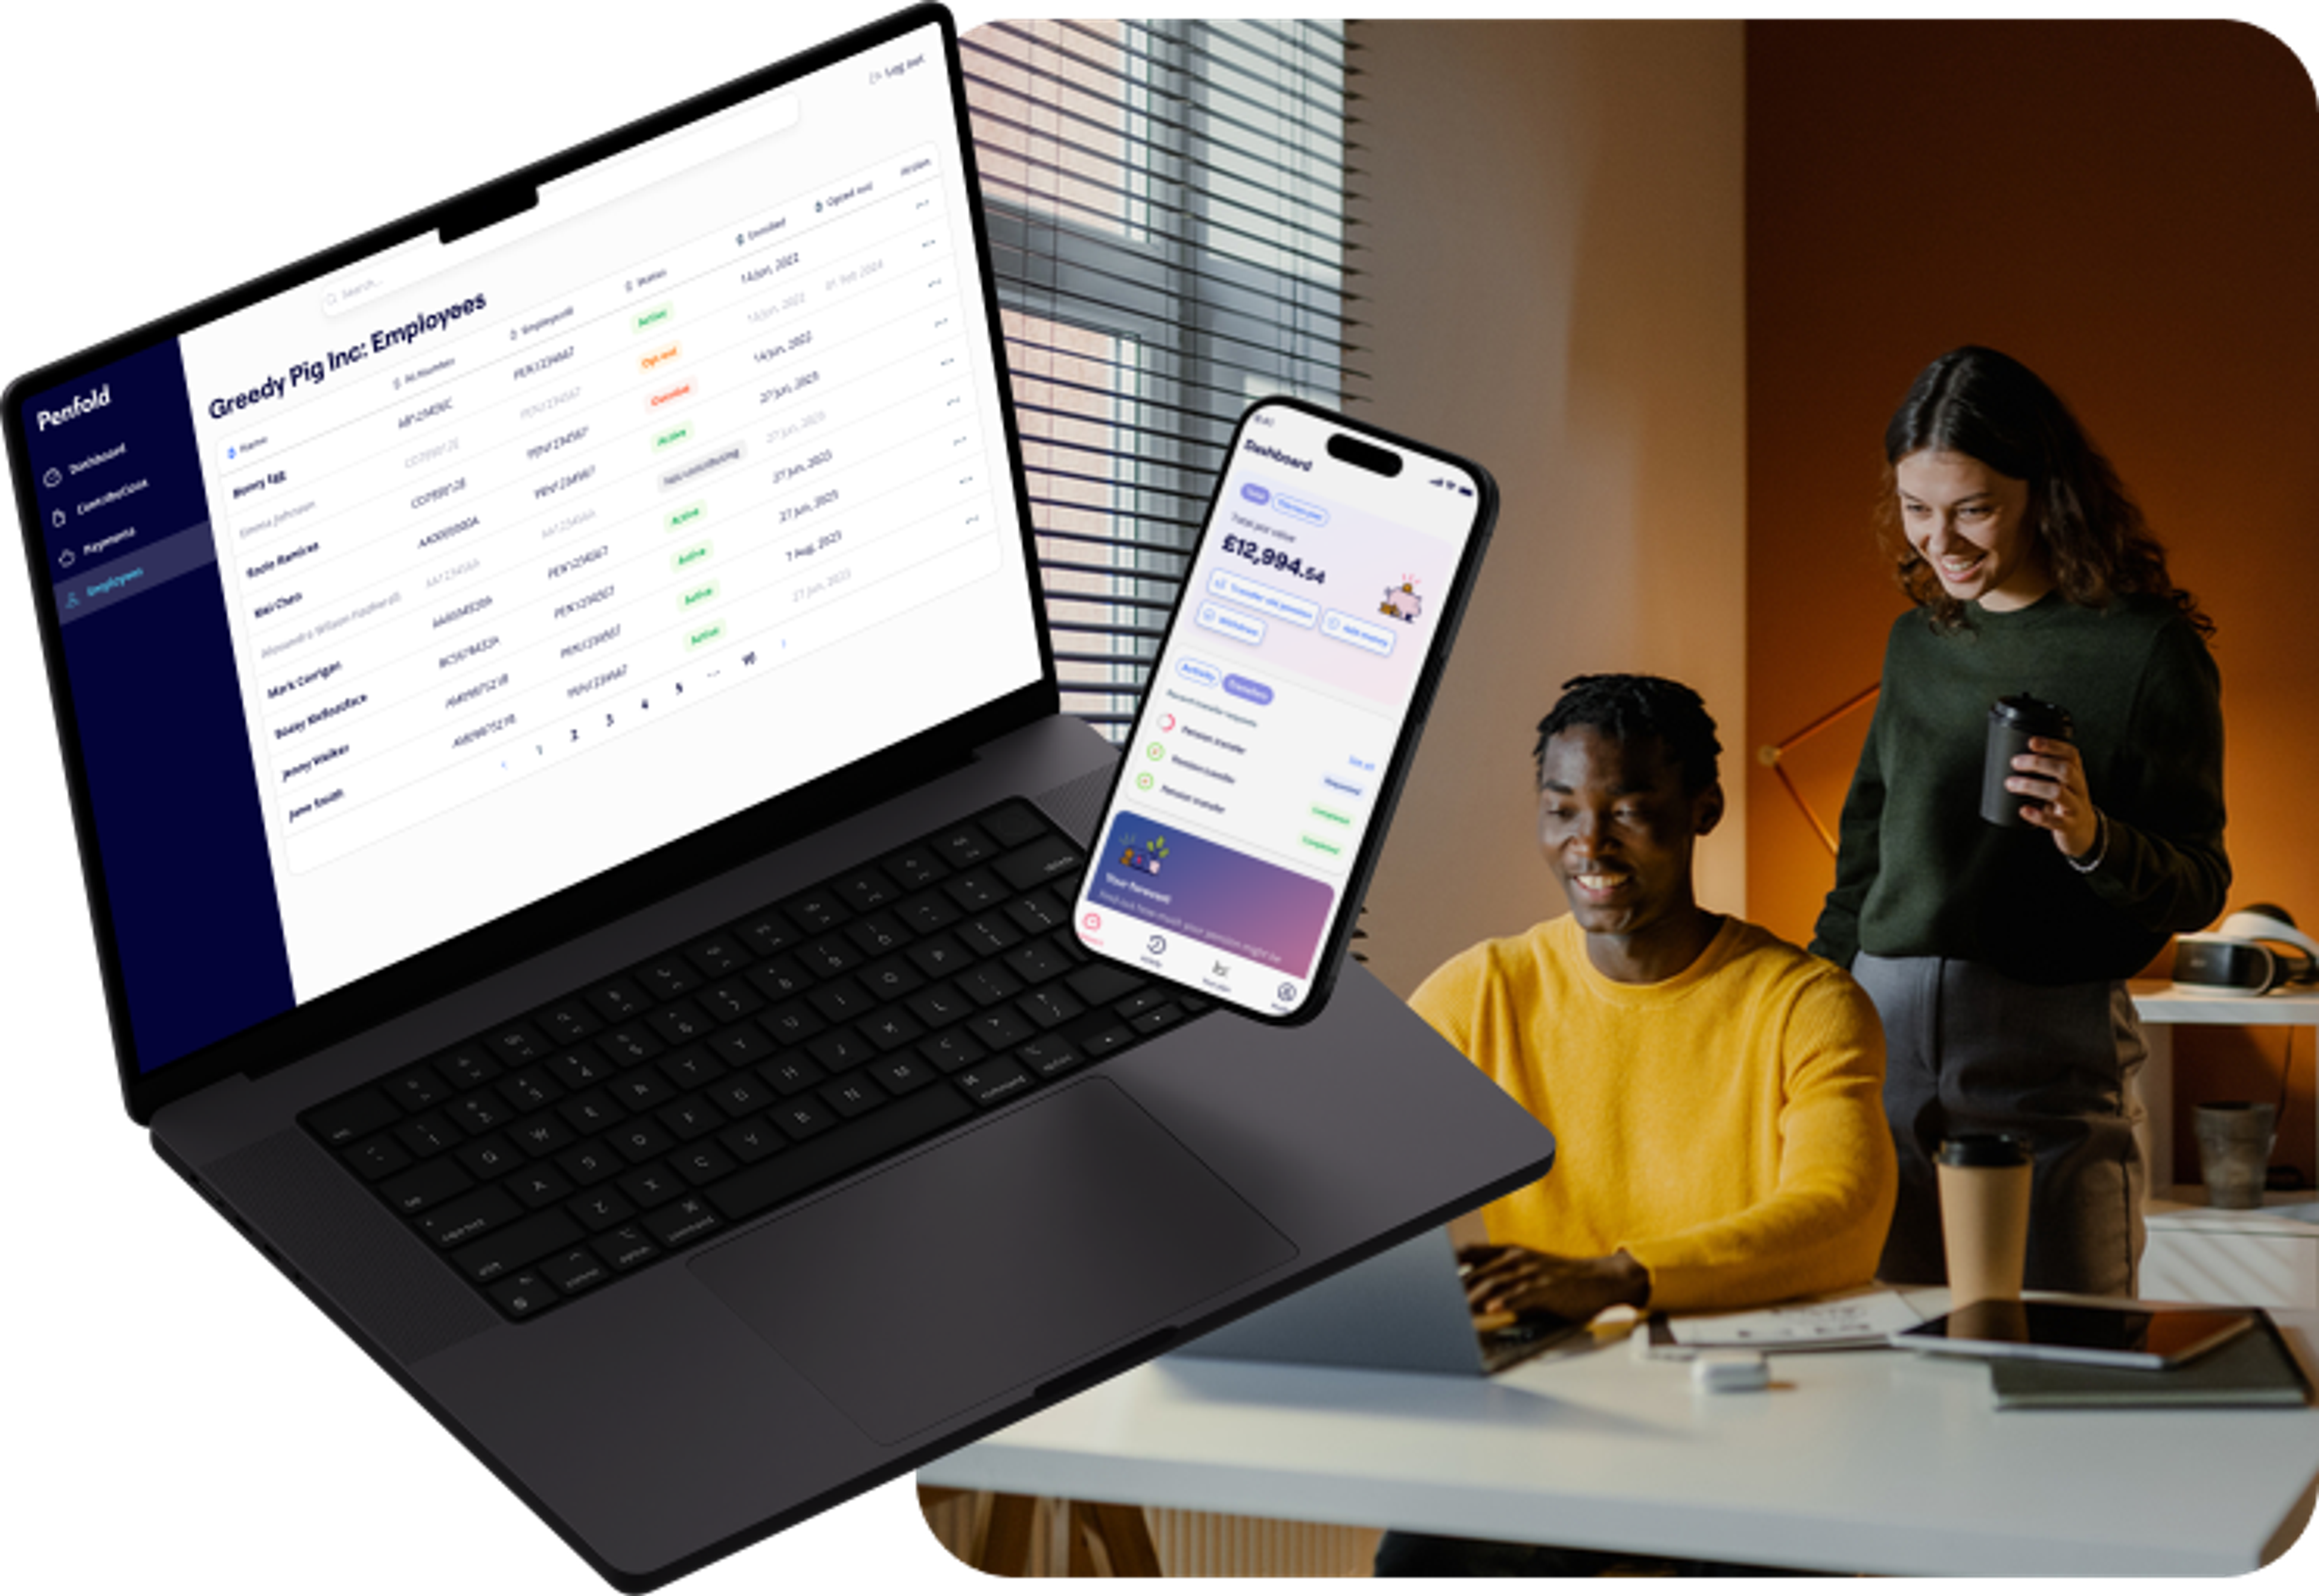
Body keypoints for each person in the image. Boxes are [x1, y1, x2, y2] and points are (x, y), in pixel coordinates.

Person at [1373, 674, 1894, 1580]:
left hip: (1758, 1419)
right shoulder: (1483, 991)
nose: (1589, 843)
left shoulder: (1806, 1004)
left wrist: (1615, 1278)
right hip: (1550, 1417)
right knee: (1419, 1559)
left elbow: (1841, 1211)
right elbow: (1345, 1148)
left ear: (1704, 809)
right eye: (1562, 809)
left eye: (1628, 810)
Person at [1809, 345, 2228, 1300]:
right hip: (1886, 1024)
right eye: (1916, 509)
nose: (1939, 542)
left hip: (2049, 1038)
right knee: (1895, 1336)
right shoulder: (1916, 641)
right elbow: (1864, 852)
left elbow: (2201, 880)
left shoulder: (2145, 649)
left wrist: (2092, 836)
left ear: (2046, 492)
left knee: (2072, 1341)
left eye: (1973, 509)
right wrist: (1815, 998)